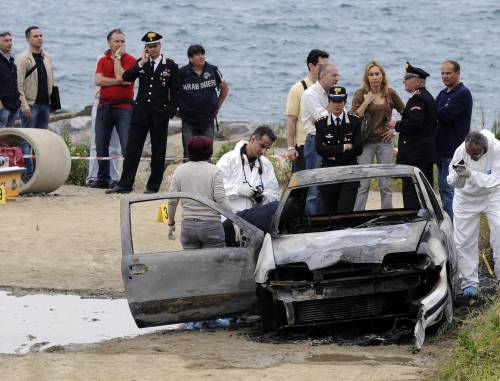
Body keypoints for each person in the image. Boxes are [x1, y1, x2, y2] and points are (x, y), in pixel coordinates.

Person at [107, 31, 180, 194]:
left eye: (155, 46)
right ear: (145, 48)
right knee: (133, 149)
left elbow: (176, 91)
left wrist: (170, 111)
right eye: (149, 46)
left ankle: (153, 186)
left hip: (159, 114)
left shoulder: (170, 65)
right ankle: (125, 184)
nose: (152, 49)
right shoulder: (141, 63)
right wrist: (141, 63)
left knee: (158, 151)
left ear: (160, 46)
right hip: (140, 113)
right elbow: (126, 77)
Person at [447, 130, 500, 298]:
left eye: (476, 154)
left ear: (485, 148)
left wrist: (472, 174)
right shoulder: (461, 151)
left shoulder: (496, 148)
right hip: (466, 198)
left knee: (499, 233)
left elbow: (495, 181)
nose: (473, 157)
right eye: (471, 154)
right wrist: (459, 175)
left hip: (492, 195)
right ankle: (469, 283)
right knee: (464, 241)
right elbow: (453, 182)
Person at [351, 61, 405, 211]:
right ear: (367, 77)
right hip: (365, 143)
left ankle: (387, 215)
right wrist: (366, 101)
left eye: (377, 74)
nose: (374, 77)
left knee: (385, 183)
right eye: (371, 74)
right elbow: (353, 117)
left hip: (385, 142)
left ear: (382, 76)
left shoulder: (390, 93)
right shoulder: (361, 93)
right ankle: (357, 216)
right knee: (364, 183)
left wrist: (395, 130)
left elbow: (405, 112)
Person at [89, 29, 136, 189]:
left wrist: (117, 59)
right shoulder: (102, 59)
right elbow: (98, 80)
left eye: (122, 41)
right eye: (117, 41)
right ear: (109, 43)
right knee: (101, 143)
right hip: (104, 106)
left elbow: (126, 80)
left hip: (124, 107)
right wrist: (118, 80)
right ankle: (103, 178)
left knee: (126, 145)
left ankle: (125, 180)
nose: (120, 44)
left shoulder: (130, 60)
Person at [387, 62, 437, 209]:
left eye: (407, 78)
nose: (404, 81)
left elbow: (414, 123)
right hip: (423, 153)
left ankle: (412, 220)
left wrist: (396, 125)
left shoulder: (418, 98)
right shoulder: (426, 96)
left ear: (416, 81)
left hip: (416, 154)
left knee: (412, 191)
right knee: (424, 189)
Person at [167, 136, 231, 249]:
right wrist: (234, 219)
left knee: (191, 263)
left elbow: (172, 201)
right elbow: (221, 199)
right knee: (213, 263)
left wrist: (171, 222)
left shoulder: (179, 170)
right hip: (211, 225)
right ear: (209, 151)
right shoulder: (215, 171)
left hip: (188, 225)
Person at [315, 86, 363, 214]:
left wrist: (331, 152)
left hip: (349, 172)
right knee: (330, 214)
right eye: (334, 101)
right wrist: (343, 147)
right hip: (328, 173)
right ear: (329, 102)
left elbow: (358, 149)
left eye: (340, 101)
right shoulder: (321, 123)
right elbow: (319, 149)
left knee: (344, 213)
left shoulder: (354, 121)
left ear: (345, 102)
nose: (337, 105)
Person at [300, 64, 340, 214]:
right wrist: (334, 104)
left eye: (338, 76)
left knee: (329, 185)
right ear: (323, 76)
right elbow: (322, 119)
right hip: (315, 141)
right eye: (334, 76)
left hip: (331, 142)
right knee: (315, 186)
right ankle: (312, 222)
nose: (337, 79)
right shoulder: (310, 94)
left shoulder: (331, 93)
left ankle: (326, 219)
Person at [435, 60, 473, 219]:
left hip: (454, 150)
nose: (445, 76)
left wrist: (437, 111)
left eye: (448, 73)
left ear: (457, 73)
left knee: (449, 189)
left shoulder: (462, 93)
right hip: (441, 148)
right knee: (443, 189)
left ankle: (453, 225)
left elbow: (445, 115)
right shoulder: (444, 93)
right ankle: (449, 222)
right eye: (442, 73)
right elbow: (434, 112)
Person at [178, 44, 228, 160]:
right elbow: (173, 92)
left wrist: (217, 106)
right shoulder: (182, 73)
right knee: (188, 153)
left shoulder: (213, 70)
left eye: (202, 54)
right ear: (190, 58)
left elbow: (224, 88)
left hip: (207, 119)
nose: (201, 57)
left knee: (207, 153)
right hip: (189, 121)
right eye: (197, 55)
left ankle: (207, 177)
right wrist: (176, 110)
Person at [216, 125, 279, 212]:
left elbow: (274, 192)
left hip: (254, 216)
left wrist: (263, 197)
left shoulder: (266, 165)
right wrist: (237, 190)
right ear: (253, 139)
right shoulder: (228, 159)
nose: (264, 151)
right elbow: (216, 188)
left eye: (267, 148)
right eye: (262, 146)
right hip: (229, 215)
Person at [285, 49, 329, 172]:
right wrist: (290, 147)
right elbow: (291, 120)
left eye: (327, 66)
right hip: (304, 145)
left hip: (326, 144)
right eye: (322, 66)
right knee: (302, 186)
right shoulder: (298, 89)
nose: (326, 69)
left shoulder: (328, 88)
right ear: (311, 66)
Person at [16, 26, 54, 129]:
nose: (40, 38)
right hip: (30, 105)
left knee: (41, 137)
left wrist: (52, 102)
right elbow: (18, 84)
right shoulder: (23, 58)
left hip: (45, 104)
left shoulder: (47, 57)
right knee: (27, 138)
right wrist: (24, 105)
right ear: (28, 39)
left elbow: (50, 81)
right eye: (36, 36)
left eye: (41, 36)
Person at [0, 31, 20, 127]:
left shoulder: (11, 59)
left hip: (14, 106)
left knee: (6, 138)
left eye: (11, 40)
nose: (9, 43)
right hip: (2, 108)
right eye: (6, 41)